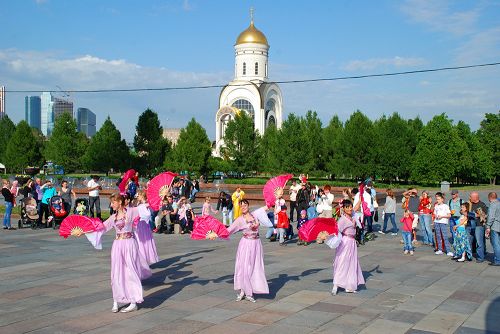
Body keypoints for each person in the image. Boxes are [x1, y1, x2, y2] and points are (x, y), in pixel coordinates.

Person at [77, 194, 146, 313]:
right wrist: (83, 232)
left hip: (129, 244)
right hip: (118, 245)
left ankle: (133, 301)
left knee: (130, 271)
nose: (111, 204)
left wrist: (161, 197)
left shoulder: (131, 212)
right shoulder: (113, 217)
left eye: (113, 202)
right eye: (111, 202)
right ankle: (116, 300)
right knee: (116, 272)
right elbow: (100, 228)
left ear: (120, 202)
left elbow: (146, 208)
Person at [226, 199, 272, 302]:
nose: (243, 207)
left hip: (256, 244)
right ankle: (245, 292)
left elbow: (266, 207)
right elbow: (228, 230)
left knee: (255, 267)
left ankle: (249, 290)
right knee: (244, 268)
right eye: (241, 205)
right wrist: (215, 234)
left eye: (245, 205)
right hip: (246, 245)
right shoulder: (239, 220)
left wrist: (275, 198)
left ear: (248, 205)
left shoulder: (255, 215)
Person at [331, 199, 365, 295]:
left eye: (350, 207)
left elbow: (356, 207)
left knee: (352, 263)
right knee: (342, 262)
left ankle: (349, 286)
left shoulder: (352, 215)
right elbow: (336, 231)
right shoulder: (342, 220)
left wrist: (361, 198)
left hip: (352, 242)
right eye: (347, 207)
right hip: (345, 242)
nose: (350, 209)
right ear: (344, 209)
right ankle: (336, 284)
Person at [134, 191, 159, 265]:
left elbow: (152, 204)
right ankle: (140, 260)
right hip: (139, 226)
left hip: (144, 227)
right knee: (140, 243)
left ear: (142, 196)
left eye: (139, 195)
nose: (137, 196)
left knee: (144, 244)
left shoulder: (145, 205)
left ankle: (143, 260)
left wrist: (161, 197)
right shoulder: (138, 204)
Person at [469, 192, 488, 263]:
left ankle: (480, 257)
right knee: (473, 240)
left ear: (475, 198)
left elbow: (485, 216)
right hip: (471, 224)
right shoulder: (470, 204)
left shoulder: (482, 205)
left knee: (480, 242)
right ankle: (476, 253)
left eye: (471, 197)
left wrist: (479, 215)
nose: (469, 198)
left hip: (479, 225)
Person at [433, 192, 453, 256]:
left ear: (442, 199)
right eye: (436, 199)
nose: (437, 200)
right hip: (437, 222)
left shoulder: (445, 206)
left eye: (438, 199)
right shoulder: (436, 206)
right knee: (438, 236)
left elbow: (449, 215)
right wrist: (436, 216)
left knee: (445, 236)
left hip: (443, 222)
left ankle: (448, 251)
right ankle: (440, 249)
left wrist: (442, 216)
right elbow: (434, 213)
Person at [485, 192, 500, 266]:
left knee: (495, 244)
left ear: (490, 197)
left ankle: (498, 260)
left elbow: (491, 217)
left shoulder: (493, 204)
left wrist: (488, 226)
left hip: (495, 226)